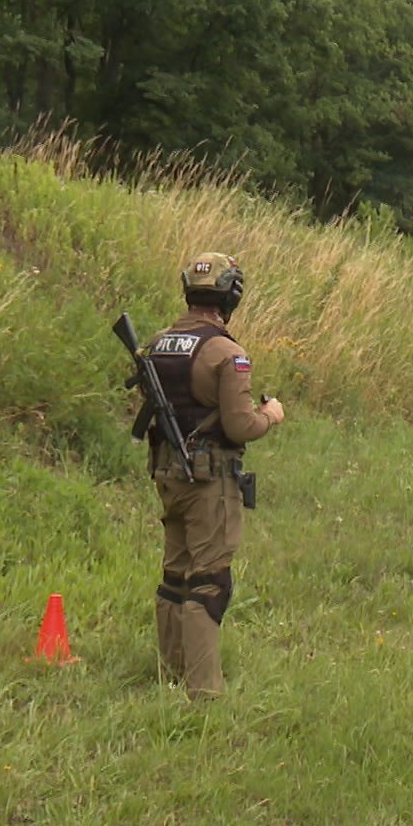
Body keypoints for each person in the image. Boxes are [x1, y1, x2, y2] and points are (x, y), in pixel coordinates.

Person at [145, 252, 284, 698]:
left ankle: (170, 672)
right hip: (210, 481)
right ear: (230, 296)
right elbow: (240, 426)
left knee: (175, 574)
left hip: (168, 472)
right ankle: (203, 692)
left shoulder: (156, 344)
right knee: (209, 580)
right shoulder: (228, 353)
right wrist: (272, 415)